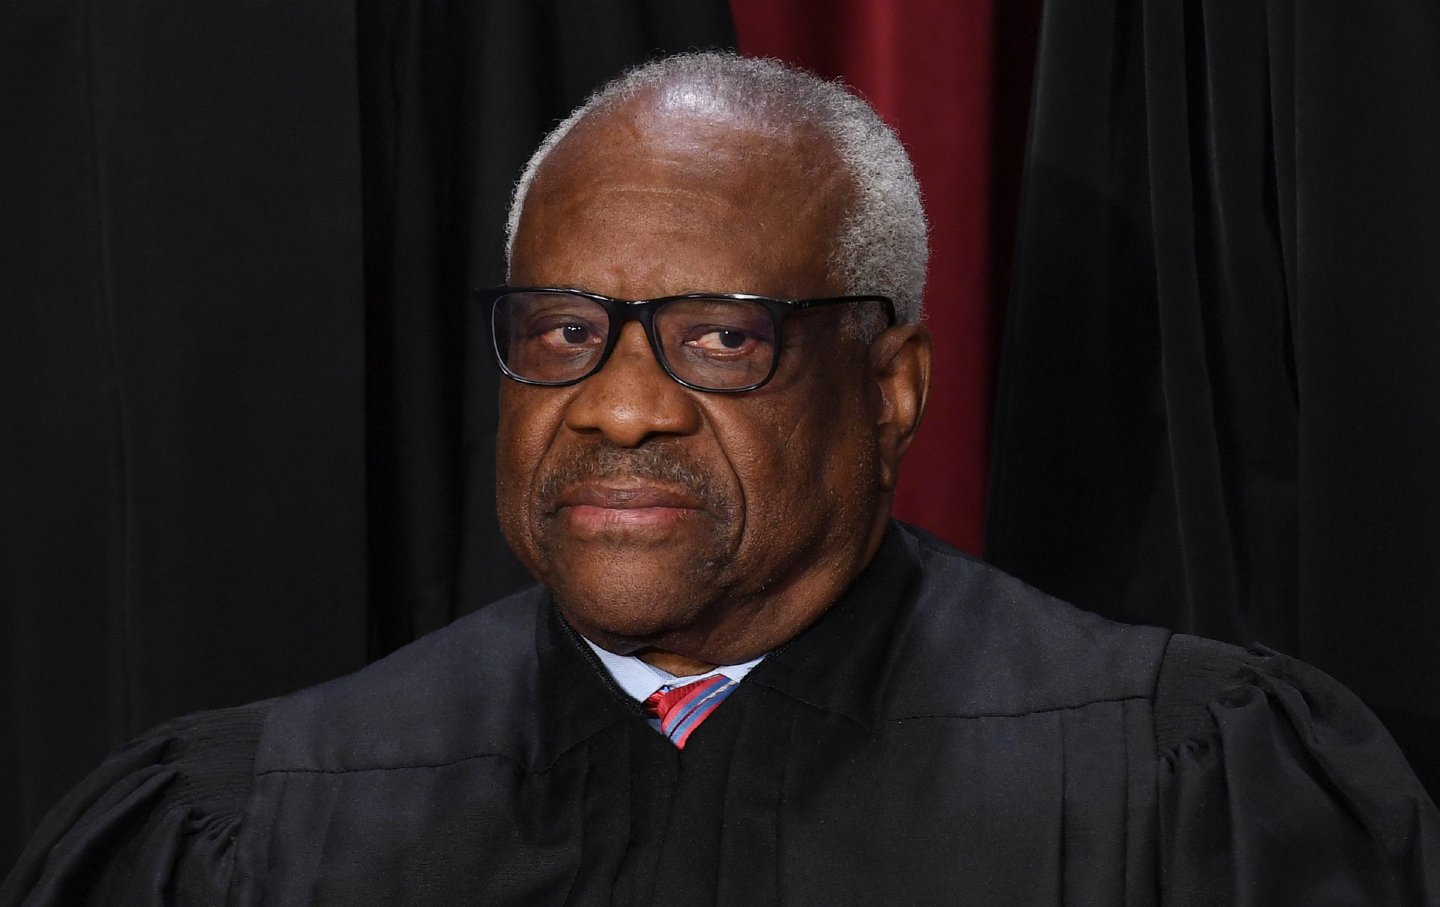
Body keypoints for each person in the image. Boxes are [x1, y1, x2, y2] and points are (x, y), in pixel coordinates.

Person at [4, 51, 1437, 906]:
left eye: (718, 339)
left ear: (892, 392)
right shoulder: (263, 828)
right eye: (565, 331)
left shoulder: (1177, 796)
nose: (621, 409)